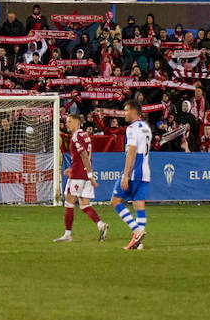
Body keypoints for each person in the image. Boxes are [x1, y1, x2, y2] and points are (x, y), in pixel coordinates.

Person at [54, 112, 108, 242]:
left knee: (68, 203)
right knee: (84, 205)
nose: (67, 124)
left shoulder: (76, 136)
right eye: (66, 122)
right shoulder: (85, 135)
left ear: (77, 122)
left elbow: (84, 155)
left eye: (69, 121)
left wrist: (88, 175)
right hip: (83, 173)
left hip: (79, 176)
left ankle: (67, 235)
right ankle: (101, 225)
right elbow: (83, 157)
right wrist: (83, 172)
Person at [109, 99, 152, 250]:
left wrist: (126, 174)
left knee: (115, 201)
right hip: (145, 172)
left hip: (134, 172)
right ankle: (138, 243)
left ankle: (137, 230)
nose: (124, 113)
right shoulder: (146, 127)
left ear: (134, 112)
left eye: (126, 110)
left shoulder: (132, 128)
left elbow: (131, 151)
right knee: (138, 203)